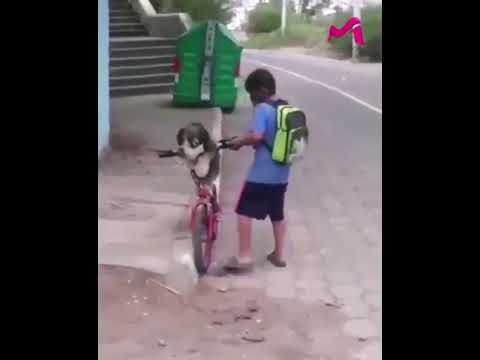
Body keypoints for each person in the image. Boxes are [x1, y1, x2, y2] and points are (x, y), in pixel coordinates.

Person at [225, 68, 290, 271]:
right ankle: (279, 254)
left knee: (244, 211)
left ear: (261, 90)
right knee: (277, 213)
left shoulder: (263, 108)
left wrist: (239, 142)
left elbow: (257, 136)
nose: (252, 99)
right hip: (281, 174)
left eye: (252, 94)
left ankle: (244, 257)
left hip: (262, 174)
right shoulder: (284, 107)